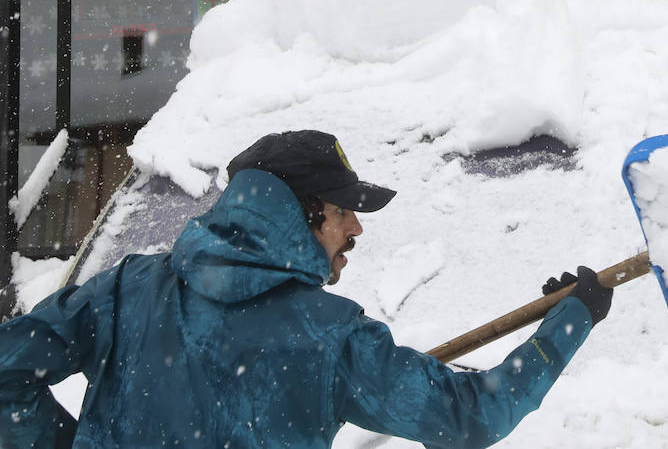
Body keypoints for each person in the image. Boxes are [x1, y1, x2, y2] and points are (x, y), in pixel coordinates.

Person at [0, 129, 612, 448]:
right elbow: (471, 416)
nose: (356, 226)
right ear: (301, 212)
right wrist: (568, 324)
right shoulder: (330, 337)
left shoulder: (123, 289)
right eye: (344, 209)